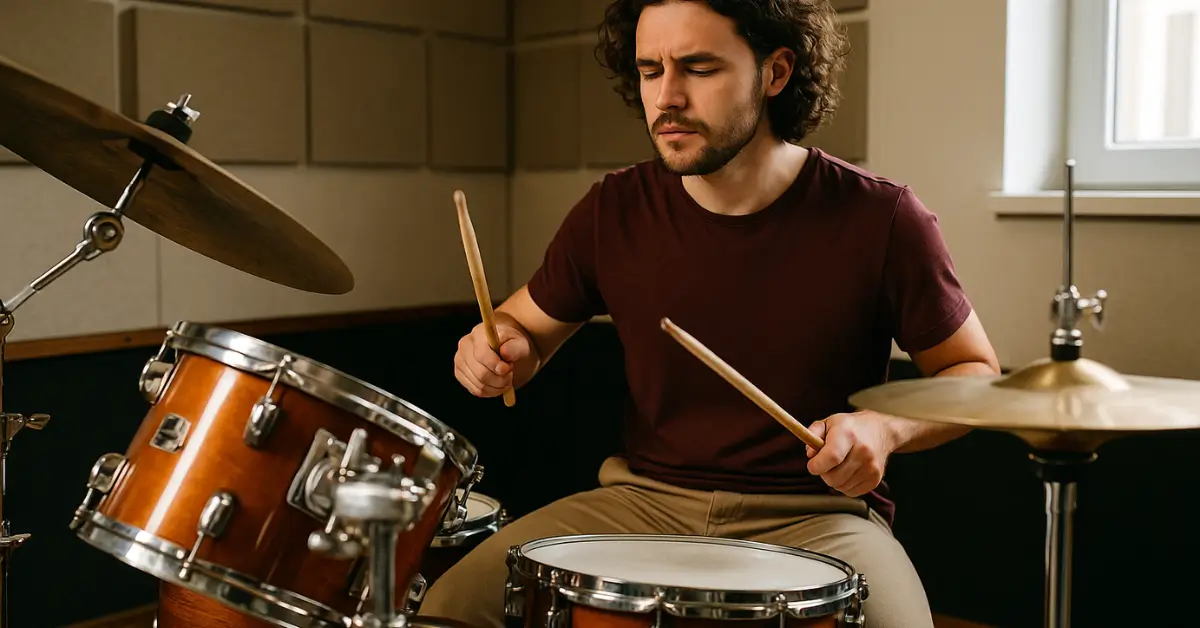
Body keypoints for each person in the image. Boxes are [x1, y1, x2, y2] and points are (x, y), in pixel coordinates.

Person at [425, 0, 1000, 626]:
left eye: (698, 68)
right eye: (650, 71)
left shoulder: (881, 218)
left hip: (820, 516)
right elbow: (520, 331)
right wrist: (495, 351)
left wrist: (883, 431)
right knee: (451, 606)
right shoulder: (612, 210)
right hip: (640, 504)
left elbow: (975, 374)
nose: (666, 97)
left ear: (775, 73)